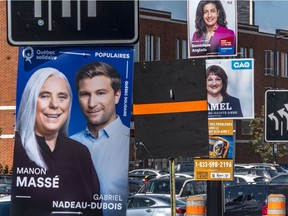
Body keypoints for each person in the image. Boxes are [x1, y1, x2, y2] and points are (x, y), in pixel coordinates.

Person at [11, 67, 103, 216]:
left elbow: (95, 210)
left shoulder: (80, 153)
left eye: (62, 97)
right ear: (31, 100)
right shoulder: (17, 149)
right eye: (45, 96)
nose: (55, 104)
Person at [70, 62, 130, 216]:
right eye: (85, 94)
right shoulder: (67, 145)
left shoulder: (130, 142)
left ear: (117, 95)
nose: (92, 103)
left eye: (101, 93)